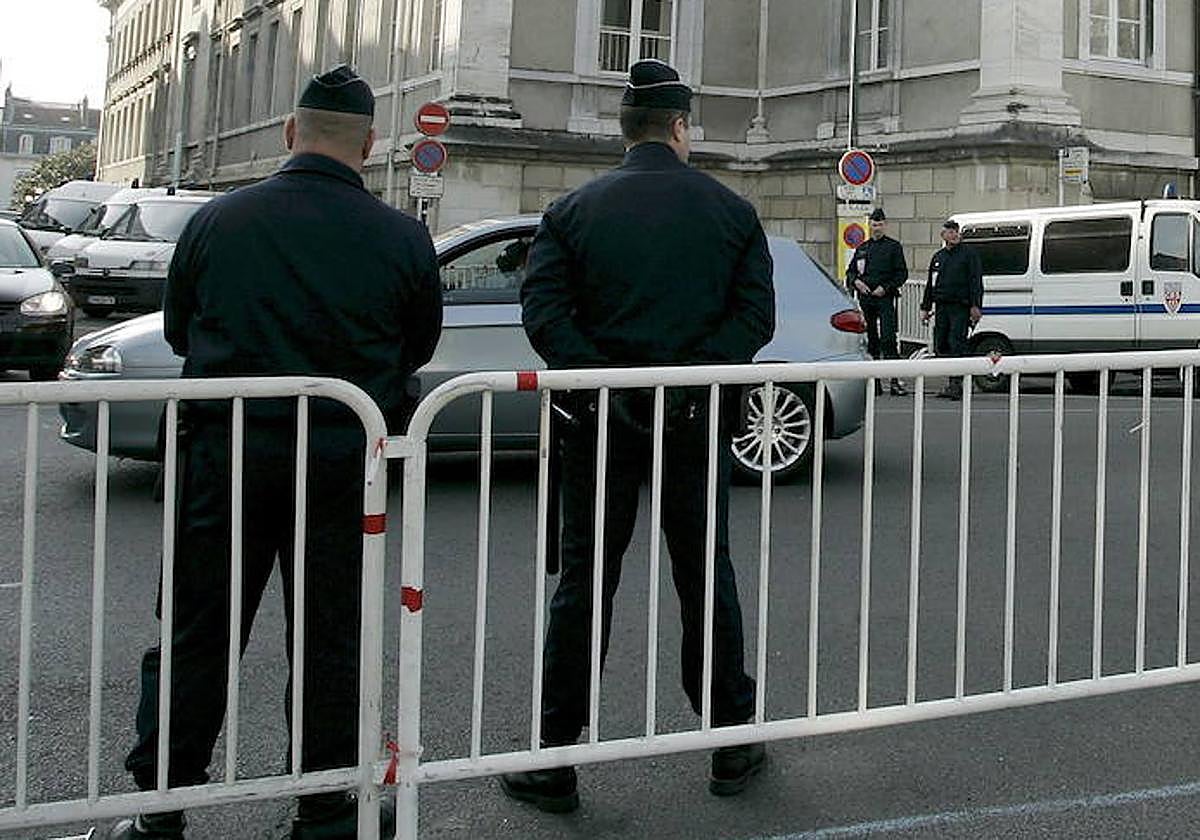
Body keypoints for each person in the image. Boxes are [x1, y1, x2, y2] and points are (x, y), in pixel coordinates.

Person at [109, 65, 443, 840]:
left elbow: (181, 330)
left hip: (222, 457)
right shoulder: (401, 236)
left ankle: (161, 807)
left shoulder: (218, 220)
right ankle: (324, 808)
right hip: (340, 465)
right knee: (330, 639)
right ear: (370, 144)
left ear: (292, 132)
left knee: (197, 633)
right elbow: (416, 346)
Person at [504, 57, 775, 815]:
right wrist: (688, 384)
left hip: (597, 422)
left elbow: (544, 314)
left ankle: (556, 754)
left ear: (625, 131)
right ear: (680, 126)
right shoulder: (731, 211)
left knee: (584, 583)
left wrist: (606, 381)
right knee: (704, 574)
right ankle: (730, 739)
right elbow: (755, 319)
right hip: (695, 421)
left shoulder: (572, 211)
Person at [845, 207, 909, 395]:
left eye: (880, 225)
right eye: (874, 225)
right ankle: (875, 383)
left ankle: (895, 381)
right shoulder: (863, 248)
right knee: (871, 341)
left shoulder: (893, 247)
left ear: (885, 225)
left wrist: (886, 287)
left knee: (889, 340)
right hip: (866, 300)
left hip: (885, 299)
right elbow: (851, 272)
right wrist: (856, 282)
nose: (877, 228)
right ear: (870, 226)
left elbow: (901, 274)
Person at [920, 219, 983, 400]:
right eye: (950, 231)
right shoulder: (938, 257)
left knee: (957, 343)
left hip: (960, 306)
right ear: (943, 235)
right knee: (942, 344)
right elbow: (931, 284)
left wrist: (975, 305)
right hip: (942, 307)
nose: (954, 234)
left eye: (956, 231)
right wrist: (925, 307)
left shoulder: (968, 255)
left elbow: (975, 281)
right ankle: (951, 382)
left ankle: (958, 383)